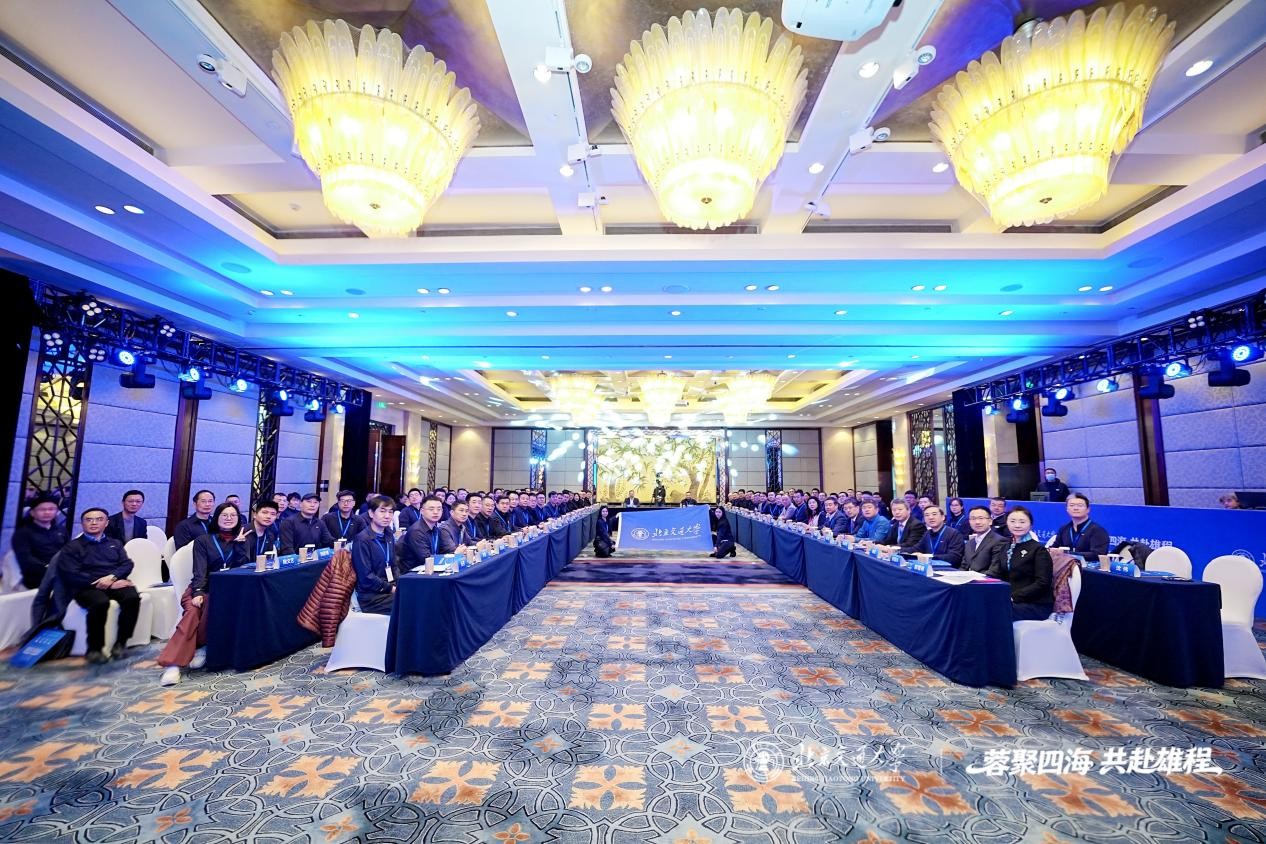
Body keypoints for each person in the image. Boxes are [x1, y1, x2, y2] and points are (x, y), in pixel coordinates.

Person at [158, 503, 248, 685]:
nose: (229, 518)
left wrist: (239, 546)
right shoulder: (203, 540)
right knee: (192, 612)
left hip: (227, 592)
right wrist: (198, 592)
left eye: (233, 515)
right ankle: (173, 665)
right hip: (203, 588)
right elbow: (199, 571)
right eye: (224, 515)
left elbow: (243, 568)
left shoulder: (242, 540)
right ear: (217, 518)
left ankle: (201, 646)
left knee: (214, 606)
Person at [57, 507, 141, 664]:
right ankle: (94, 649)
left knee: (132, 597)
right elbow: (71, 573)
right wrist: (107, 583)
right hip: (86, 587)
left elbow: (127, 564)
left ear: (106, 523)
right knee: (100, 603)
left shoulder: (115, 543)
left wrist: (112, 578)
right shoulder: (72, 547)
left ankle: (121, 643)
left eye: (99, 519)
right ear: (82, 523)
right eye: (89, 520)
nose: (94, 523)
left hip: (112, 582)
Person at [987, 506, 1054, 621]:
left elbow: (1043, 582)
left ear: (1030, 525)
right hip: (1010, 599)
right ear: (1007, 523)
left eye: (1022, 522)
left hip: (1034, 604)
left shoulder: (1038, 549)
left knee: (995, 610)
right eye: (1012, 521)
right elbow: (998, 573)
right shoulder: (1006, 546)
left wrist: (1014, 596)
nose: (1017, 525)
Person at [350, 495, 401, 614]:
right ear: (371, 513)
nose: (387, 516)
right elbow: (366, 577)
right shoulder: (362, 539)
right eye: (382, 511)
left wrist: (400, 584)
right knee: (410, 602)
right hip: (372, 596)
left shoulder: (388, 535)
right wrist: (392, 589)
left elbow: (394, 565)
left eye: (390, 512)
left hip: (389, 588)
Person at [10, 493, 67, 589]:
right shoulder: (23, 533)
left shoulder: (61, 530)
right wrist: (48, 568)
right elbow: (26, 559)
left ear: (57, 511)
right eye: (42, 509)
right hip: (37, 575)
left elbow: (68, 551)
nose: (47, 512)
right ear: (32, 512)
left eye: (51, 509)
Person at [1050, 493, 1110, 558]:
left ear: (1088, 509)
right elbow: (1054, 548)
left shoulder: (1097, 530)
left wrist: (1069, 554)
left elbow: (1098, 554)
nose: (1075, 508)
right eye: (1072, 505)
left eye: (1080, 506)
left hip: (1087, 564)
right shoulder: (1064, 528)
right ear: (1067, 509)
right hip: (1065, 563)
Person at [399, 496, 445, 568]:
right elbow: (426, 559)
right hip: (414, 571)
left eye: (439, 509)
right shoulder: (417, 531)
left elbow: (442, 550)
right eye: (431, 509)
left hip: (431, 568)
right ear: (422, 511)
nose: (436, 512)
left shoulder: (436, 529)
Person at [962, 505, 1007, 573]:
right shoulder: (969, 543)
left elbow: (995, 571)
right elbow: (963, 567)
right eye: (973, 519)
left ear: (990, 521)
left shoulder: (1000, 541)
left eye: (981, 518)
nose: (977, 522)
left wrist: (972, 577)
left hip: (985, 579)